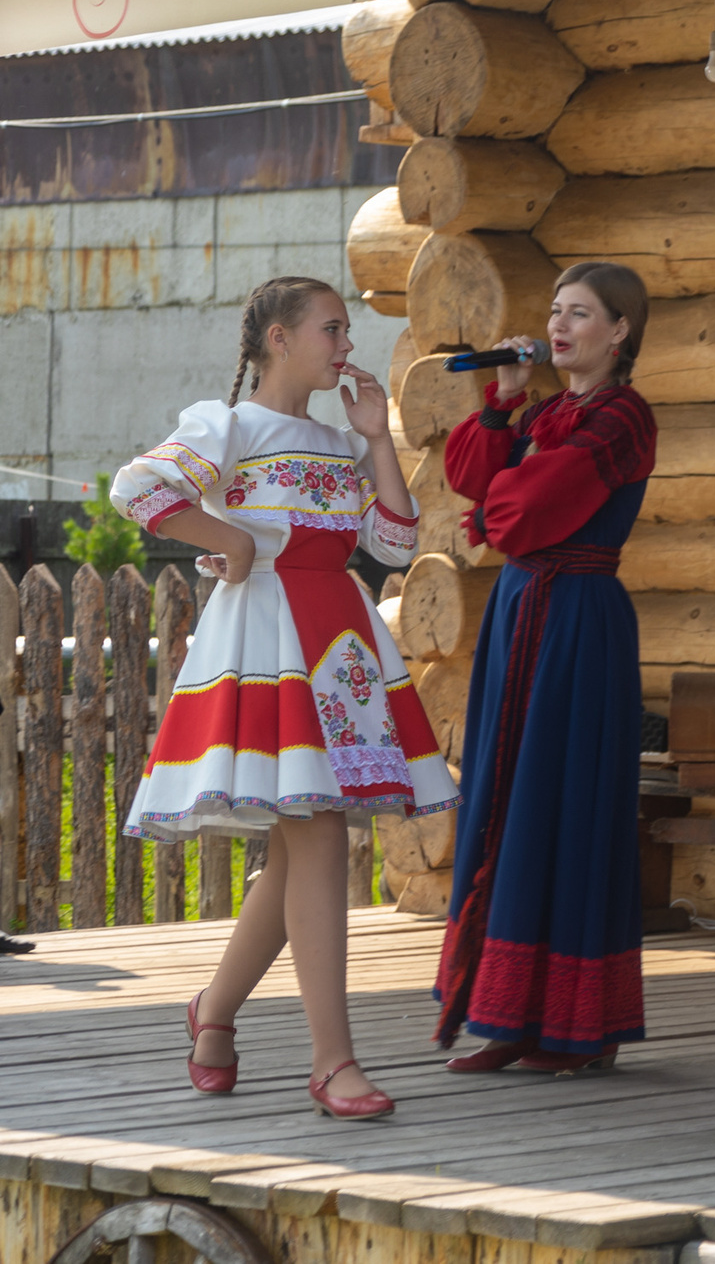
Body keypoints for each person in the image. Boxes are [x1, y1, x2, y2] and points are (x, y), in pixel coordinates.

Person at [114, 275, 457, 1119]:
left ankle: (215, 1012)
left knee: (306, 839)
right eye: (332, 329)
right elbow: (138, 488)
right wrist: (229, 536)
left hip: (337, 642)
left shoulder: (340, 441)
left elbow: (393, 538)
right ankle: (332, 1060)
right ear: (278, 338)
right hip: (265, 639)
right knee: (320, 834)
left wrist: (378, 438)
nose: (346, 344)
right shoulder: (226, 425)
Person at [435, 263, 658, 1075]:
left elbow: (524, 506)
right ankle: (510, 1013)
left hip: (576, 619)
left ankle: (575, 1023)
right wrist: (500, 400)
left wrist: (498, 507)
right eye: (555, 311)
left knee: (562, 800)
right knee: (505, 794)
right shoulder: (548, 410)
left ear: (621, 330)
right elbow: (472, 476)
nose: (561, 326)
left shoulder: (625, 416)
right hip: (520, 609)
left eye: (582, 314)